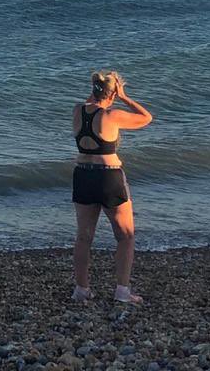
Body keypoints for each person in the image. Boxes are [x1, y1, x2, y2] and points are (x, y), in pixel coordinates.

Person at [71, 71, 153, 305]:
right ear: (113, 93)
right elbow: (146, 118)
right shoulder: (112, 115)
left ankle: (81, 289)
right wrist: (124, 97)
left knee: (84, 237)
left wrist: (100, 89)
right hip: (108, 177)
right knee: (125, 236)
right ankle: (122, 291)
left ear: (94, 89)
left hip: (83, 175)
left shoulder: (78, 110)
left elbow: (90, 102)